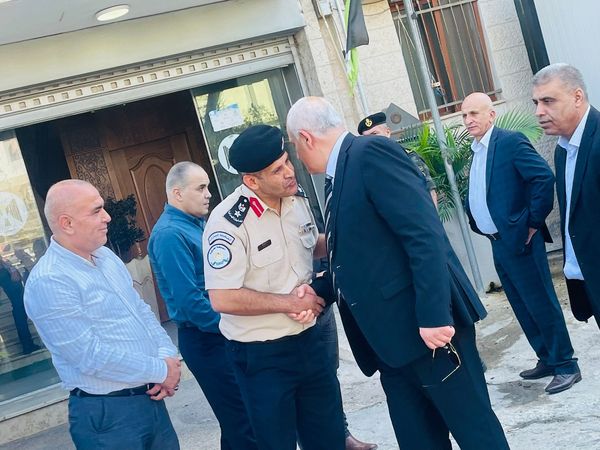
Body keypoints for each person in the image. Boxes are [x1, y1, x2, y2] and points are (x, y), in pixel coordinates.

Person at [286, 96, 509, 450]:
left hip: (429, 333)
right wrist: (321, 290)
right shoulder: (339, 174)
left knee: (476, 434)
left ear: (306, 138)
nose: (296, 157)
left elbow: (424, 235)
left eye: (294, 146)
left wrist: (434, 316)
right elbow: (360, 255)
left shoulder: (370, 153)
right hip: (390, 346)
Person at [203, 125, 345, 450]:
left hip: (311, 341)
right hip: (262, 356)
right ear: (252, 181)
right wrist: (289, 303)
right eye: (277, 170)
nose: (289, 172)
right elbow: (222, 297)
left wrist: (347, 239)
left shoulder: (296, 199)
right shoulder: (228, 223)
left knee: (329, 437)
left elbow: (311, 244)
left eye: (287, 161)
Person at [24, 180, 181, 450]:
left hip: (150, 398)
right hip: (109, 415)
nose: (107, 217)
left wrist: (168, 358)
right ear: (67, 223)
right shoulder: (50, 280)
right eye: (96, 211)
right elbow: (89, 355)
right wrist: (160, 370)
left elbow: (140, 311)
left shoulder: (105, 257)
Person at [461, 92, 581, 394]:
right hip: (498, 242)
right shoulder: (477, 150)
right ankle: (547, 358)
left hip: (522, 239)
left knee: (540, 302)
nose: (468, 120)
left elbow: (543, 178)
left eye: (474, 113)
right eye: (464, 115)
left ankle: (566, 364)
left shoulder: (509, 142)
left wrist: (531, 223)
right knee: (521, 303)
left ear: (491, 115)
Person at [148, 162, 257, 450]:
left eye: (207, 186)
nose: (208, 194)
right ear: (177, 193)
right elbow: (190, 302)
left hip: (222, 333)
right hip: (207, 339)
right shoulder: (170, 234)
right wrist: (235, 326)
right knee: (243, 422)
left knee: (242, 422)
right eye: (200, 188)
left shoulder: (197, 224)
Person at [532, 63, 600, 329]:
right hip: (589, 283)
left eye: (548, 101)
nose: (539, 111)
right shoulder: (563, 149)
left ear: (577, 97)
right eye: (536, 102)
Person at [357, 112, 438, 206]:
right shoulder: (365, 165)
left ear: (387, 132)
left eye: (374, 134)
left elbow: (429, 189)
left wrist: (434, 214)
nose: (371, 140)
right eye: (367, 137)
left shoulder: (408, 156)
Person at [0, 254, 40, 354]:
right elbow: (15, 279)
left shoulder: (3, 266)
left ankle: (27, 344)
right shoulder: (3, 269)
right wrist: (11, 269)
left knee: (21, 317)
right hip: (16, 298)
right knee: (21, 318)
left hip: (16, 298)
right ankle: (27, 345)